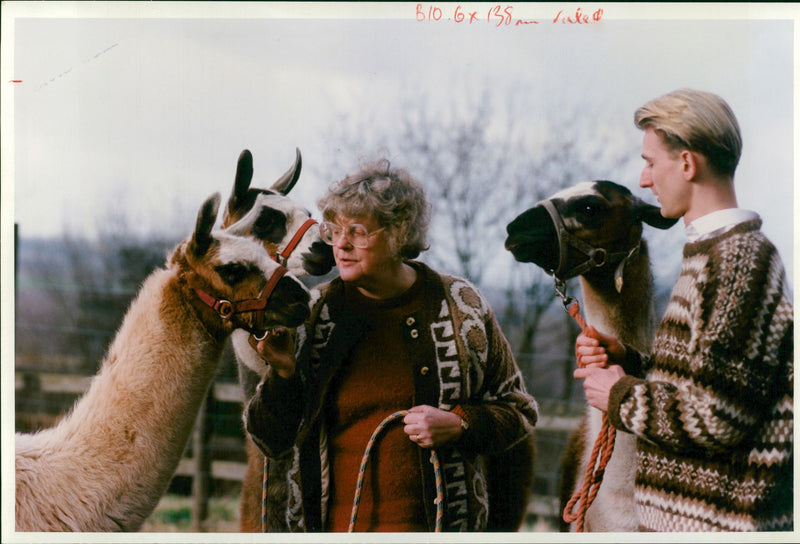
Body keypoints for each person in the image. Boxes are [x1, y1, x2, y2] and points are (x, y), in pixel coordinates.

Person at [243, 159, 538, 532]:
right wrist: (283, 374)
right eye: (333, 230)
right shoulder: (314, 314)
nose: (341, 244)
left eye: (358, 231)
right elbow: (270, 440)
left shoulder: (464, 306)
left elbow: (519, 410)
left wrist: (462, 424)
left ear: (398, 232)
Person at [574, 88, 793, 531]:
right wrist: (630, 362)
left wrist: (619, 395)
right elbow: (713, 382)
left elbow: (718, 416)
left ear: (688, 164)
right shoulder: (713, 255)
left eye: (651, 162)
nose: (643, 180)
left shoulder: (737, 260)